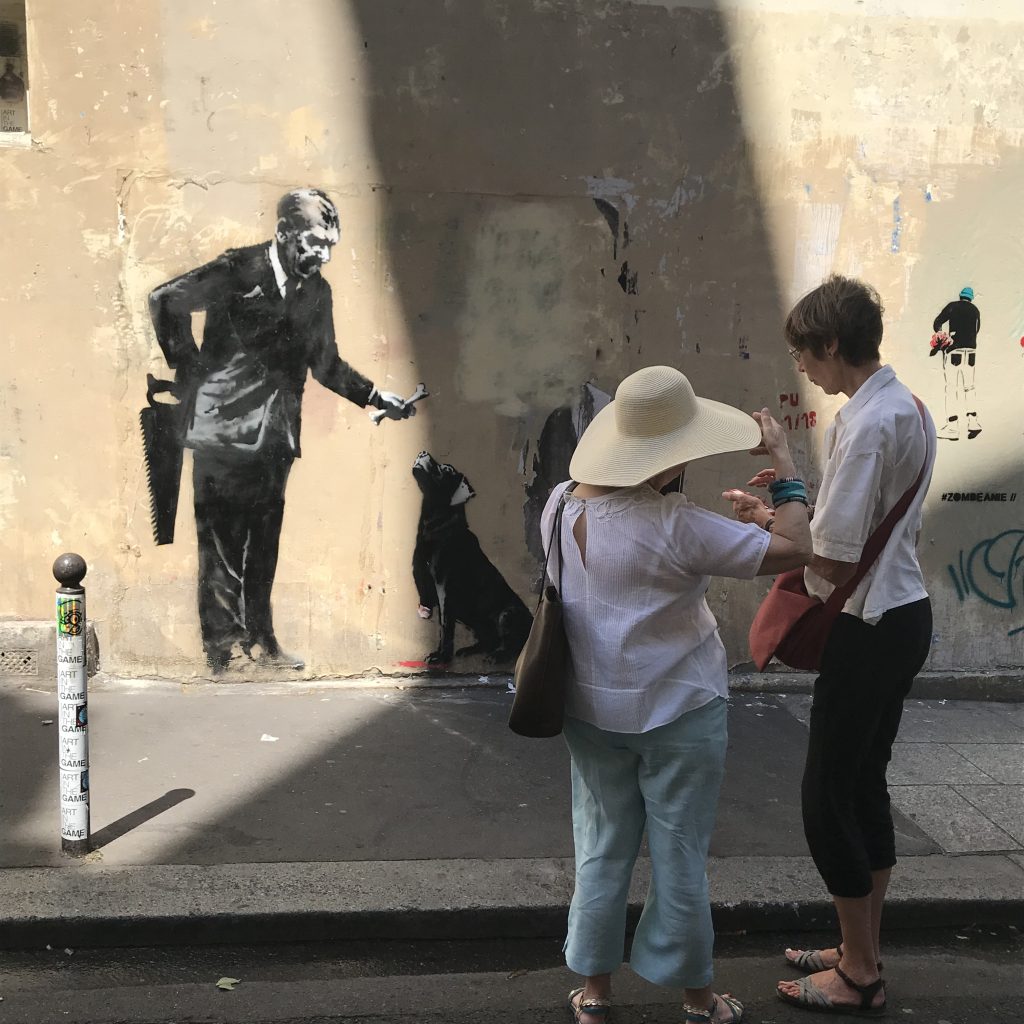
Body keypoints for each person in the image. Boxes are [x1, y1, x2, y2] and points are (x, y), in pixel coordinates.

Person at [542, 365, 812, 1024]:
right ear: (668, 460)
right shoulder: (677, 524)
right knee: (679, 855)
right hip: (681, 713)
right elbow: (797, 547)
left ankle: (595, 993)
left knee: (601, 848)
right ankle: (697, 999)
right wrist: (783, 465)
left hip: (588, 710)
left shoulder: (558, 505)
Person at [726, 275, 936, 1017]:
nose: (802, 367)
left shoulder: (868, 423)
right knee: (862, 783)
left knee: (825, 799)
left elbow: (830, 556)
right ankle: (860, 951)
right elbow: (849, 528)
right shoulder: (905, 404)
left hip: (869, 626)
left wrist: (769, 520)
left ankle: (860, 975)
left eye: (804, 352)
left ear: (832, 344)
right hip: (903, 613)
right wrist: (785, 483)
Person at [149, 188, 416, 673]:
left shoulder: (317, 291)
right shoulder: (237, 270)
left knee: (263, 545)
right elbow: (165, 300)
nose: (323, 254)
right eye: (315, 242)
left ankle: (262, 641)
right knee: (222, 547)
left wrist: (377, 398)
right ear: (285, 233)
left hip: (275, 438)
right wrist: (190, 368)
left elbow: (326, 363)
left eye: (330, 245)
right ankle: (225, 651)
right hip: (221, 432)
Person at [931, 285, 981, 440]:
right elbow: (977, 329)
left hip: (954, 352)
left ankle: (953, 427)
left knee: (952, 388)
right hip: (971, 352)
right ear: (971, 298)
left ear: (960, 295)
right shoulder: (975, 310)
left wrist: (941, 335)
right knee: (969, 387)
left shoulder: (953, 307)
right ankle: (973, 422)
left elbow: (938, 322)